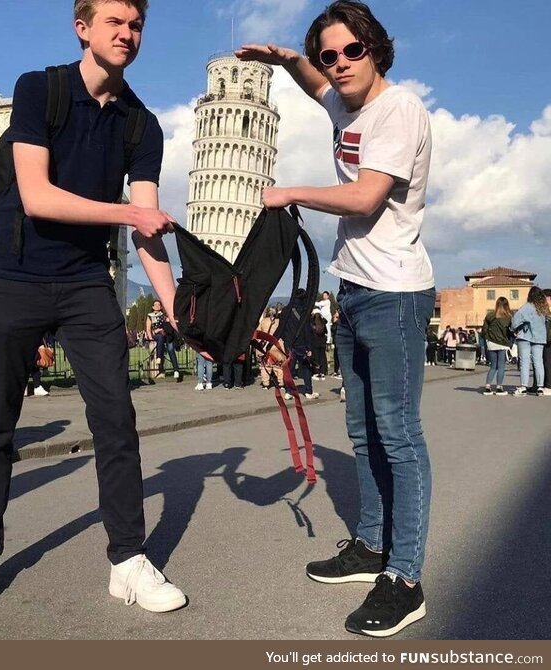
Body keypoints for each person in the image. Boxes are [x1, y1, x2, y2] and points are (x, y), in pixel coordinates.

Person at [0, 0, 186, 614]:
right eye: (114, 22)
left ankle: (128, 560)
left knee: (116, 419)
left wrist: (177, 309)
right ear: (83, 28)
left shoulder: (142, 125)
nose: (127, 34)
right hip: (13, 274)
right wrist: (131, 212)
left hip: (85, 283)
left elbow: (148, 230)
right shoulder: (40, 91)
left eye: (136, 25)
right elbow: (36, 195)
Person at [237, 0, 435, 636]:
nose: (341, 64)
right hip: (352, 290)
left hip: (396, 292)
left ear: (376, 48)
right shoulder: (343, 101)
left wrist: (291, 191)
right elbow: (316, 86)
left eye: (353, 50)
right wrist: (290, 59)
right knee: (360, 429)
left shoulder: (395, 109)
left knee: (397, 434)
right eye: (330, 54)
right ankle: (371, 546)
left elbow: (366, 194)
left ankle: (404, 578)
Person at [511, 286, 549, 397]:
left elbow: (515, 321)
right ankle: (540, 387)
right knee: (538, 362)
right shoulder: (542, 309)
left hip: (525, 336)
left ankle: (523, 387)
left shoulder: (526, 307)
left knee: (525, 362)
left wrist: (514, 329)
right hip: (540, 338)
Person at [480, 297, 512, 396]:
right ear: (507, 305)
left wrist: (488, 339)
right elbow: (511, 331)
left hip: (491, 343)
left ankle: (488, 387)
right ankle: (499, 387)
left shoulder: (490, 316)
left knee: (493, 366)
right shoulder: (508, 317)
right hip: (502, 343)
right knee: (501, 366)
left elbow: (484, 330)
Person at [145, 299, 180, 378]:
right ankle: (159, 357)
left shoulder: (163, 315)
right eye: (155, 304)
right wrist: (150, 337)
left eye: (159, 305)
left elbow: (170, 321)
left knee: (171, 349)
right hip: (156, 335)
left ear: (161, 307)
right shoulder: (150, 316)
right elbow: (148, 328)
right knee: (160, 337)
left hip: (166, 335)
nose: (157, 306)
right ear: (153, 307)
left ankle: (176, 370)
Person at [256, 307, 284, 390]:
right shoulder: (279, 321)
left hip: (266, 344)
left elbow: (258, 333)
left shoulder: (263, 321)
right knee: (279, 365)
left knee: (265, 365)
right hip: (277, 344)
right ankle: (281, 383)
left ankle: (266, 383)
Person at [310, 309, 328, 379]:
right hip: (322, 342)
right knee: (322, 357)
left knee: (316, 357)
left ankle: (316, 372)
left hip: (315, 342)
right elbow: (326, 331)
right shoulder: (323, 323)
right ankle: (323, 372)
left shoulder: (313, 324)